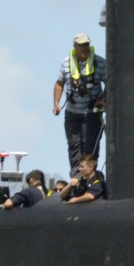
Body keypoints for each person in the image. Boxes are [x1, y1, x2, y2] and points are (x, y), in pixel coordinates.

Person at [52, 34, 106, 174]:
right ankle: (76, 175)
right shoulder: (66, 63)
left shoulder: (99, 62)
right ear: (75, 47)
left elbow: (111, 82)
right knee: (74, 145)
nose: (84, 48)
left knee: (90, 145)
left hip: (92, 112)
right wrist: (56, 103)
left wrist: (103, 99)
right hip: (72, 112)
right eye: (81, 45)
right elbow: (59, 83)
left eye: (86, 45)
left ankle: (90, 175)